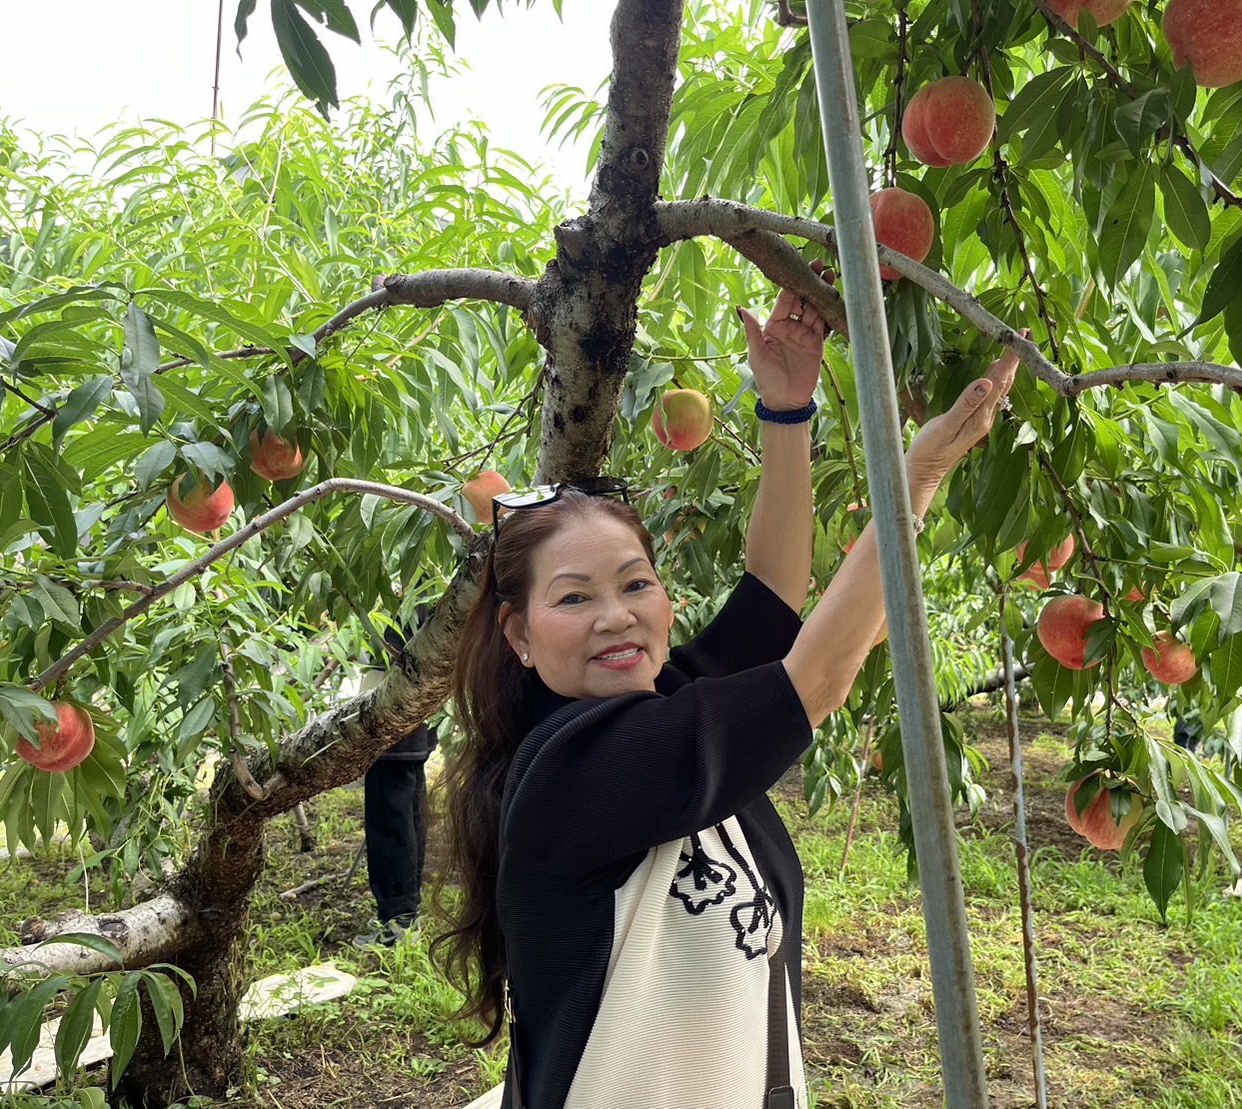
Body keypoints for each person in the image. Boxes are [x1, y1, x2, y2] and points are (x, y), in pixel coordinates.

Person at [434, 267, 1020, 1109]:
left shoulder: (660, 701)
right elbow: (813, 675)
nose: (617, 617)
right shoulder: (575, 773)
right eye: (573, 597)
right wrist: (914, 476)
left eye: (635, 584)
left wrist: (785, 409)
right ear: (518, 635)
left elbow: (774, 596)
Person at [353, 611, 437, 949]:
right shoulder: (425, 598)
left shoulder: (393, 602)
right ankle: (406, 912)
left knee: (390, 824)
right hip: (415, 723)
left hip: (390, 725)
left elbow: (377, 653)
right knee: (408, 819)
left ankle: (397, 923)